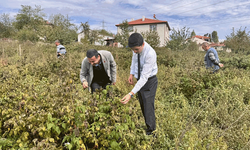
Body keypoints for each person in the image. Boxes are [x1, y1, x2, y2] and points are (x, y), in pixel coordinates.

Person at [120, 33, 158, 135]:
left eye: (136, 49)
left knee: (148, 105)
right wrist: (131, 74)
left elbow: (145, 77)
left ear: (142, 44)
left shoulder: (150, 54)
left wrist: (131, 94)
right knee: (142, 103)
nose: (134, 51)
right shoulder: (136, 50)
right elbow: (134, 61)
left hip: (149, 81)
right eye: (133, 50)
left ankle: (152, 132)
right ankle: (148, 125)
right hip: (140, 79)